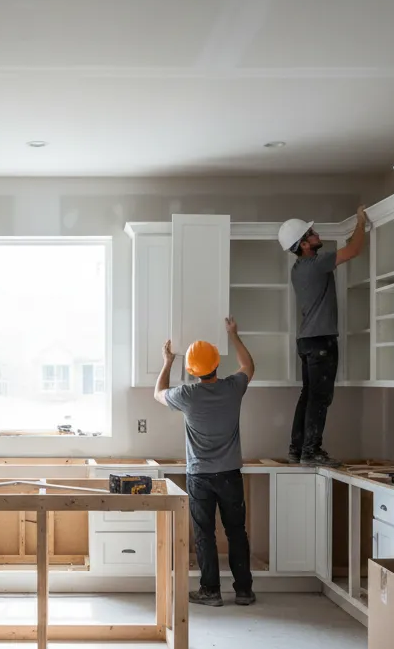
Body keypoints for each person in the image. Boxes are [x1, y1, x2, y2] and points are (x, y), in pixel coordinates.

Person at [154, 317, 256, 607]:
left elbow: (157, 393)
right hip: (230, 475)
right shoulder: (233, 388)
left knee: (204, 534)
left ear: (191, 370)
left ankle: (210, 591)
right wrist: (234, 335)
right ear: (216, 365)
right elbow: (248, 366)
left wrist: (167, 362)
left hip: (200, 476)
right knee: (236, 532)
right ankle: (244, 591)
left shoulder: (187, 395)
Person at [278, 205, 370, 465]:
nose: (317, 234)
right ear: (305, 244)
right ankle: (311, 452)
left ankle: (297, 449)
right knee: (320, 397)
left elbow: (347, 249)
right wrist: (361, 222)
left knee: (308, 394)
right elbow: (353, 250)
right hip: (321, 340)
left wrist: (356, 229)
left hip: (307, 340)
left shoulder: (299, 268)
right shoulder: (317, 264)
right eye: (312, 233)